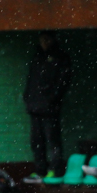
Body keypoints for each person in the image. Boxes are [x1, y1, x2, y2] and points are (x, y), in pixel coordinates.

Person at [22, 31, 72, 184]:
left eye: (47, 40)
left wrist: (52, 99)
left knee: (52, 140)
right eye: (42, 40)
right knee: (36, 141)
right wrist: (28, 98)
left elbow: (63, 82)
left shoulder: (60, 58)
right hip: (35, 106)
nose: (44, 43)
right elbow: (31, 79)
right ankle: (40, 171)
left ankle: (56, 171)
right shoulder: (38, 57)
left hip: (50, 108)